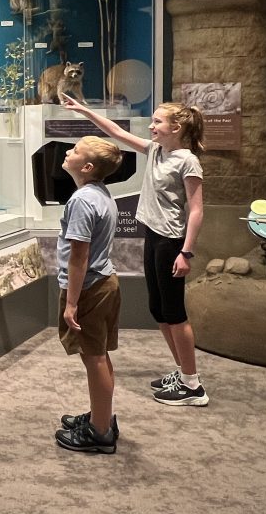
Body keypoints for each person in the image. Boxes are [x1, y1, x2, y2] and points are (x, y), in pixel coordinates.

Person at [61, 95, 208, 407]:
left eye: (157, 121)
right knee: (159, 309)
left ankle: (193, 386)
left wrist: (187, 252)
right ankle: (183, 373)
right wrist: (86, 111)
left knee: (175, 312)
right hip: (153, 236)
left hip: (171, 241)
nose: (151, 126)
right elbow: (116, 132)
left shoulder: (188, 161)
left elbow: (196, 210)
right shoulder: (156, 150)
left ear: (176, 127)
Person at [53, 135, 124, 454]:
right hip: (103, 282)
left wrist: (71, 302)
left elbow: (78, 256)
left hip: (89, 288)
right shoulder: (98, 194)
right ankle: (102, 416)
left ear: (88, 166)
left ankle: (100, 432)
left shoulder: (81, 201)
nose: (68, 152)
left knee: (93, 357)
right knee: (97, 354)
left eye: (75, 150)